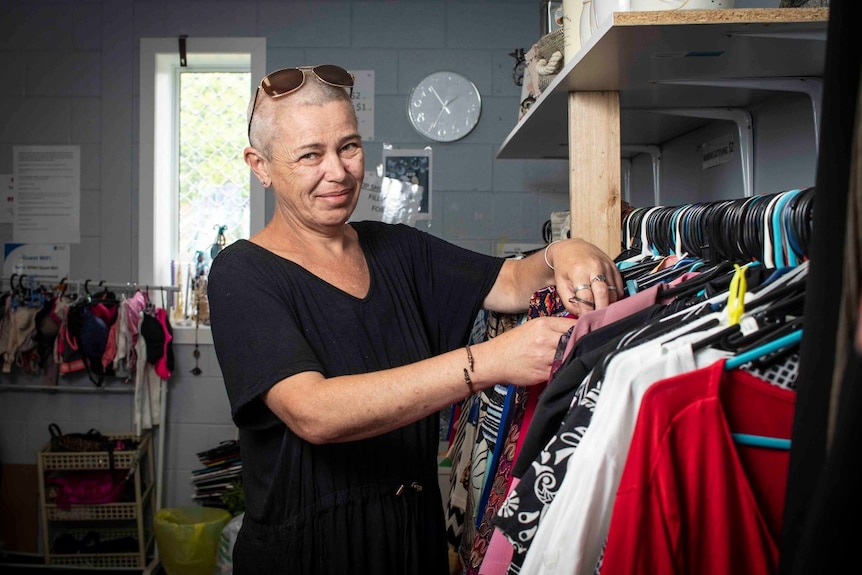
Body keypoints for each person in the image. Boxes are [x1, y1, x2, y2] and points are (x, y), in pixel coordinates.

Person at [207, 64, 623, 575]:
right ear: (261, 165)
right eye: (310, 155)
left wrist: (566, 251)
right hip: (308, 554)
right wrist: (489, 362)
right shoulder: (242, 273)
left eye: (349, 147)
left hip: (412, 544)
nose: (337, 171)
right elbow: (313, 412)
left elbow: (513, 282)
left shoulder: (398, 249)